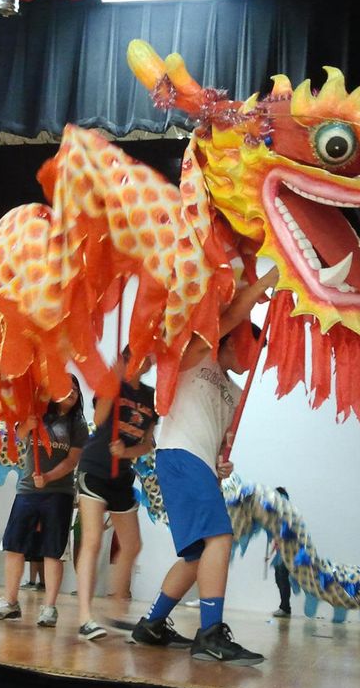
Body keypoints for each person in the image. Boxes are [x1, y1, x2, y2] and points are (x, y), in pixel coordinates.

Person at [130, 268, 277, 666]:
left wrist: (221, 463)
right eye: (252, 347)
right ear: (232, 340)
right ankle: (210, 635)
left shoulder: (236, 394)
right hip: (178, 455)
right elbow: (232, 315)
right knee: (220, 538)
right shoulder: (195, 356)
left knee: (197, 555)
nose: (255, 358)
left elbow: (217, 442)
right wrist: (266, 282)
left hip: (198, 464)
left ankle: (151, 625)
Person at [0, 375, 87, 628]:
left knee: (53, 550)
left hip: (59, 493)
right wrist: (26, 425)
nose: (72, 392)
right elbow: (18, 437)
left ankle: (49, 608)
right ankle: (10, 602)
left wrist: (49, 477)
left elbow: (72, 461)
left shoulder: (78, 424)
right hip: (28, 491)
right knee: (14, 545)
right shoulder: (37, 413)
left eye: (76, 389)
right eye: (67, 387)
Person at [75, 349, 157, 641]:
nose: (149, 359)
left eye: (149, 355)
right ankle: (85, 617)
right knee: (93, 541)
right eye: (142, 354)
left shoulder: (150, 397)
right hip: (95, 469)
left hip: (121, 475)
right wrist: (113, 381)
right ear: (127, 359)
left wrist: (127, 451)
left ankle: (116, 608)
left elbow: (147, 444)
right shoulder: (111, 384)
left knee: (132, 545)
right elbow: (99, 418)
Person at [269, 486, 293, 618]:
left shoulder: (287, 513)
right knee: (279, 578)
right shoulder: (279, 514)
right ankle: (284, 607)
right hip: (281, 552)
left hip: (287, 552)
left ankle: (285, 608)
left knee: (282, 578)